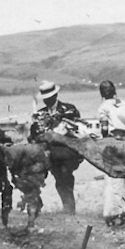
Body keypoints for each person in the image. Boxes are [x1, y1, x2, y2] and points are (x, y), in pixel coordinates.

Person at [29, 80, 82, 214]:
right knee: (36, 176)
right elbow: (34, 135)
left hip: (66, 153)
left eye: (49, 98)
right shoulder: (40, 114)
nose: (47, 101)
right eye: (45, 99)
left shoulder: (69, 109)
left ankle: (69, 209)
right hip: (48, 154)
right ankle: (35, 208)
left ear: (55, 96)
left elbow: (78, 130)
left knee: (64, 176)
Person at [97, 80, 125, 223]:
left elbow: (104, 128)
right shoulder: (124, 104)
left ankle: (117, 213)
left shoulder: (103, 107)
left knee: (114, 177)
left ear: (102, 93)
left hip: (113, 142)